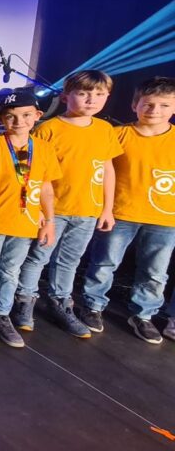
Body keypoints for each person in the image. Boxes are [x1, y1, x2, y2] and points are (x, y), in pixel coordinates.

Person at [13, 71, 122, 338]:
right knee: (39, 256)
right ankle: (24, 300)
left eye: (98, 94)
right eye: (83, 93)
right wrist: (37, 209)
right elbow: (31, 171)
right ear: (66, 96)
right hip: (54, 210)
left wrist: (107, 208)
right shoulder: (49, 129)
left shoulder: (105, 130)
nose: (91, 100)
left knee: (70, 260)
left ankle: (60, 302)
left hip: (86, 209)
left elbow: (108, 169)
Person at [81, 76, 175, 343]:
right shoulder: (119, 135)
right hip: (121, 213)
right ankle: (93, 305)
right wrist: (105, 209)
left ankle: (143, 314)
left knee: (155, 271)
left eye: (163, 105)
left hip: (165, 219)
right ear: (135, 104)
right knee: (104, 263)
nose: (154, 110)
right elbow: (103, 173)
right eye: (148, 104)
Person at [0, 89, 61, 349]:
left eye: (26, 115)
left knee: (11, 271)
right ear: (1, 120)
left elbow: (46, 188)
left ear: (37, 116)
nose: (18, 121)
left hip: (26, 223)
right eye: (11, 117)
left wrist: (50, 220)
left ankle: (2, 313)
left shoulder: (43, 149)